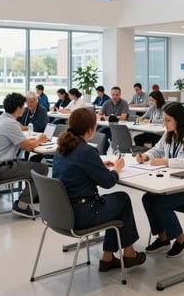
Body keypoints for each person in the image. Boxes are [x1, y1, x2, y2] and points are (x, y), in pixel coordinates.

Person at [52, 107, 146, 272]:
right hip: (82, 214)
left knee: (115, 201)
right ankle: (128, 253)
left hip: (60, 213)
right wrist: (116, 168)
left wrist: (98, 165)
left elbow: (75, 169)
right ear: (91, 129)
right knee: (122, 199)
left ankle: (108, 257)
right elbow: (108, 182)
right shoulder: (87, 151)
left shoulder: (61, 148)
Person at [136, 102, 184, 258]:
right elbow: (158, 149)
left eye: (168, 120)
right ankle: (163, 239)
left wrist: (166, 161)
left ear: (179, 119)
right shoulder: (169, 132)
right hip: (174, 182)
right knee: (147, 199)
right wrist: (146, 156)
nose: (165, 124)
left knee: (162, 205)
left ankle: (181, 239)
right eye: (164, 120)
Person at [0, 92, 49, 218]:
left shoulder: (1, 119)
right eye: (23, 106)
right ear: (18, 108)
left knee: (33, 164)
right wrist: (39, 140)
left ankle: (28, 197)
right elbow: (29, 147)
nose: (25, 107)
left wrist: (36, 140)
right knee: (42, 169)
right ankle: (22, 205)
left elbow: (22, 142)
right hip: (3, 168)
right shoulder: (12, 124)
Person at [97, 86, 129, 153]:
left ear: (120, 95)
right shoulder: (107, 103)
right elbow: (99, 114)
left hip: (118, 128)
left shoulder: (124, 103)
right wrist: (103, 117)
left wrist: (108, 118)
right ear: (111, 94)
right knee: (97, 133)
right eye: (113, 95)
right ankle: (97, 152)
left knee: (104, 136)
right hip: (107, 126)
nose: (114, 97)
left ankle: (102, 153)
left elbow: (123, 117)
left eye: (117, 95)